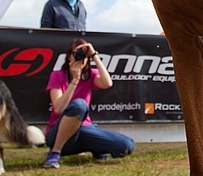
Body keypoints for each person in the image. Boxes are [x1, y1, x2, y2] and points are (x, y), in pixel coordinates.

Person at [42, 38, 134, 168]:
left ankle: (95, 147)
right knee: (79, 105)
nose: (80, 58)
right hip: (58, 133)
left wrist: (94, 55)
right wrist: (75, 80)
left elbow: (107, 83)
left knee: (126, 145)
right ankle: (55, 152)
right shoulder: (57, 75)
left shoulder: (90, 75)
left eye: (83, 55)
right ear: (69, 57)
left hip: (84, 129)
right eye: (76, 54)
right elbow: (58, 108)